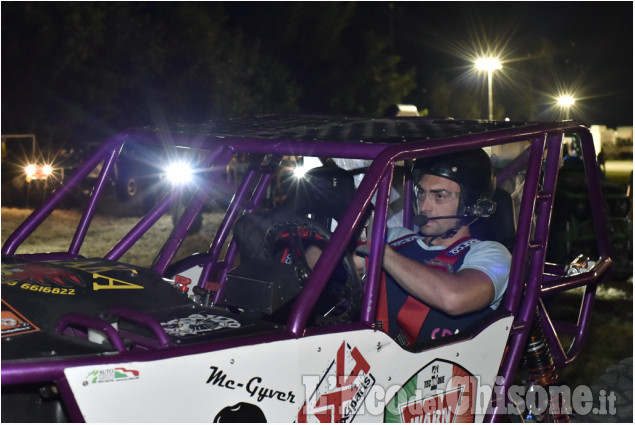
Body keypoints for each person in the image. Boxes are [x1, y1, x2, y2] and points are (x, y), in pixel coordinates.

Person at [360, 149, 511, 346]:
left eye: (439, 196)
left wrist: (382, 253)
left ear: (470, 203)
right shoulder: (395, 237)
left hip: (447, 372)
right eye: (421, 193)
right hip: (373, 364)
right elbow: (331, 268)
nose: (424, 207)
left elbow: (454, 298)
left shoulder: (491, 254)